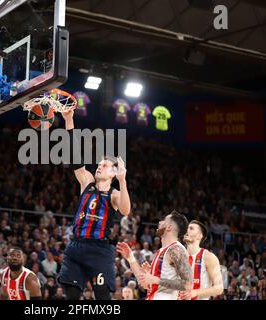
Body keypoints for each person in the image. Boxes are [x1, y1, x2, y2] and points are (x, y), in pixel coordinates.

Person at [58, 110, 131, 300]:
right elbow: (73, 156)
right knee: (71, 296)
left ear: (114, 172)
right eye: (99, 164)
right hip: (76, 245)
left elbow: (125, 210)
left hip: (99, 249)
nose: (99, 166)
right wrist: (69, 121)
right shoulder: (87, 182)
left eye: (105, 165)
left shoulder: (115, 194)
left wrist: (123, 182)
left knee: (102, 297)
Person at [117, 211, 192, 300]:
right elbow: (144, 283)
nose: (160, 222)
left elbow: (187, 285)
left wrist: (156, 279)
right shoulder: (161, 251)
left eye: (164, 220)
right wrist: (130, 257)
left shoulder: (176, 249)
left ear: (168, 227)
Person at [178, 220, 224, 300]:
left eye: (191, 228)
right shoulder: (179, 257)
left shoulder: (208, 257)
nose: (186, 230)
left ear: (199, 236)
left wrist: (195, 292)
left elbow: (219, 288)